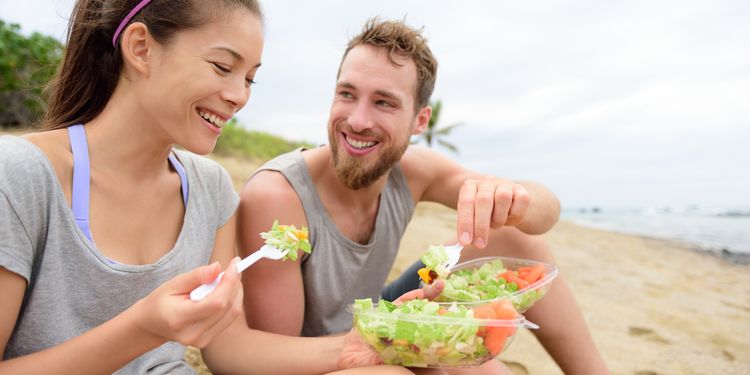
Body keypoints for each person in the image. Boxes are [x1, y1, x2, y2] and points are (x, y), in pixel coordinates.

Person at [0, 2, 421, 374]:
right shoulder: (21, 174)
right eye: (223, 67)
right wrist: (143, 327)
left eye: (250, 79)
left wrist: (369, 343)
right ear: (141, 48)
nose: (239, 96)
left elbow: (230, 349)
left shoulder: (208, 186)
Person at [238, 18, 610, 374]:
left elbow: (547, 211)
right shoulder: (278, 196)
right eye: (347, 94)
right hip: (320, 351)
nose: (358, 120)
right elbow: (274, 356)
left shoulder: (414, 172)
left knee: (513, 231)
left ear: (420, 120)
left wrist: (514, 196)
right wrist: (405, 339)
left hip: (383, 307)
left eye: (384, 102)